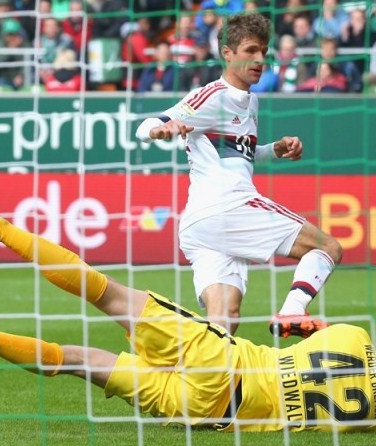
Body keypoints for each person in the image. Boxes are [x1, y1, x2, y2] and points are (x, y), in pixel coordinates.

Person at [0, 178, 376, 432]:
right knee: (74, 360)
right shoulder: (374, 416)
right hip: (208, 412)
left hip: (223, 360)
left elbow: (299, 332)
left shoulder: (353, 337)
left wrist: (309, 324)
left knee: (106, 291)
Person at [134, 13, 343, 337]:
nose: (259, 59)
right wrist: (161, 129)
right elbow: (145, 125)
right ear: (227, 53)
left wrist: (274, 148)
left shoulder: (250, 100)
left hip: (203, 226)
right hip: (228, 207)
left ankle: (194, 381)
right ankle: (292, 312)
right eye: (250, 50)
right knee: (327, 247)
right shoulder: (212, 95)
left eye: (263, 50)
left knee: (225, 321)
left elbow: (238, 154)